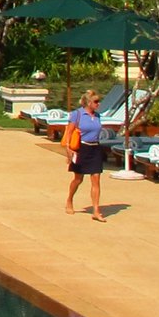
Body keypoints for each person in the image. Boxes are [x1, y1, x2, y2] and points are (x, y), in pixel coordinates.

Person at [64, 88, 106, 221]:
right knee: (78, 179)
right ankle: (69, 200)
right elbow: (69, 132)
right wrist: (68, 149)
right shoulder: (78, 114)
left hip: (95, 148)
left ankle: (96, 210)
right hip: (81, 148)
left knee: (96, 180)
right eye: (96, 101)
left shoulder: (97, 116)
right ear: (88, 103)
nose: (98, 104)